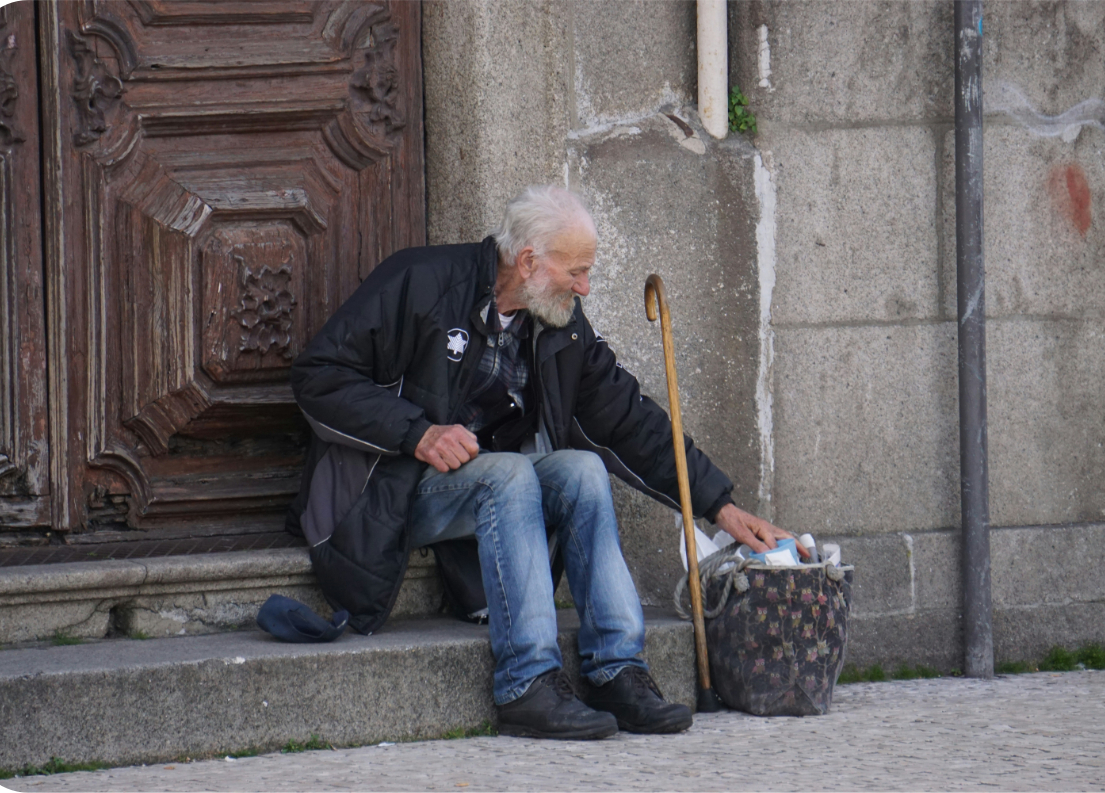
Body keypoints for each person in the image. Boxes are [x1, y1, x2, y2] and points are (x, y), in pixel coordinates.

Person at [289, 186, 805, 740]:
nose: (585, 287)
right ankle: (526, 681)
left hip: (479, 491)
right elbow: (319, 376)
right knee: (508, 474)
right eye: (577, 272)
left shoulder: (558, 322)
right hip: (384, 493)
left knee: (582, 472)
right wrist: (417, 433)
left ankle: (617, 668)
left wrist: (719, 505)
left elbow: (628, 420)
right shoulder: (421, 281)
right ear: (529, 261)